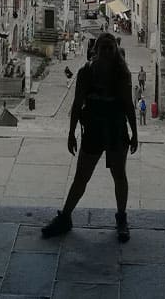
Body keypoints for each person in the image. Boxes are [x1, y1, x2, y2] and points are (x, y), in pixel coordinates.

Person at [41, 33, 138, 242]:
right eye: (103, 47)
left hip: (115, 128)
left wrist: (135, 133)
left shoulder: (122, 73)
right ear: (96, 50)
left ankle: (122, 218)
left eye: (109, 47)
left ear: (115, 50)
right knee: (81, 177)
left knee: (119, 175)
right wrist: (71, 133)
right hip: (94, 128)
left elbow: (129, 105)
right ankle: (65, 216)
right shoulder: (86, 72)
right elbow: (76, 104)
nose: (106, 51)